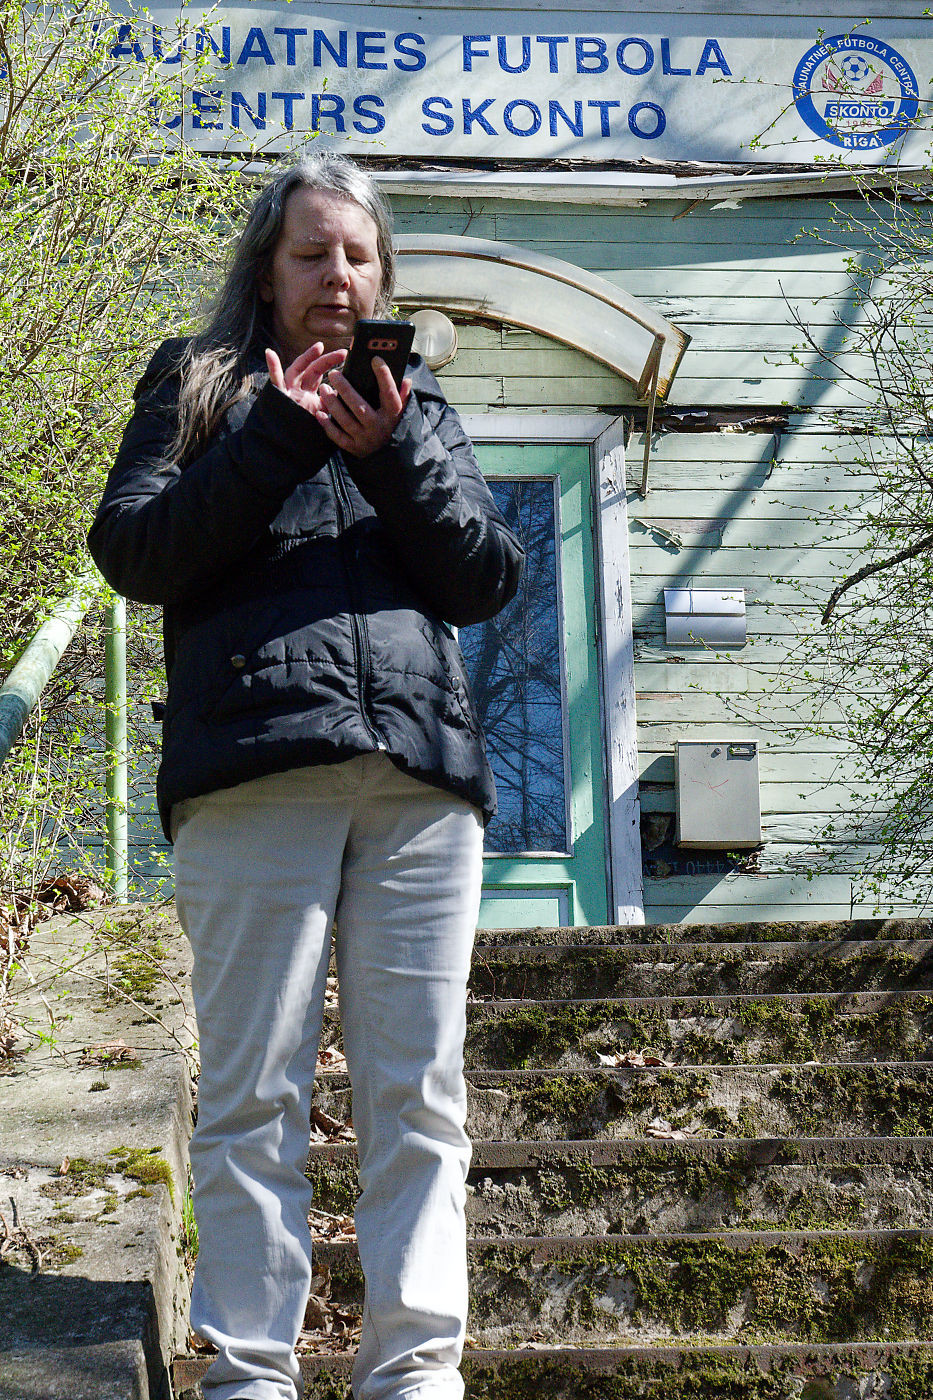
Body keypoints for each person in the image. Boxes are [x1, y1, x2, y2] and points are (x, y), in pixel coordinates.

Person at [87, 153, 524, 1400]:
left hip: (417, 785)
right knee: (250, 1090)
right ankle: (248, 1371)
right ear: (268, 272)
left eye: (358, 254)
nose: (338, 274)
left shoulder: (418, 402)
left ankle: (417, 1368)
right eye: (311, 252)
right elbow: (136, 550)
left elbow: (485, 577)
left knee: (419, 1092)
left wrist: (390, 452)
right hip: (255, 772)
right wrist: (276, 434)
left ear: (383, 273)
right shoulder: (197, 382)